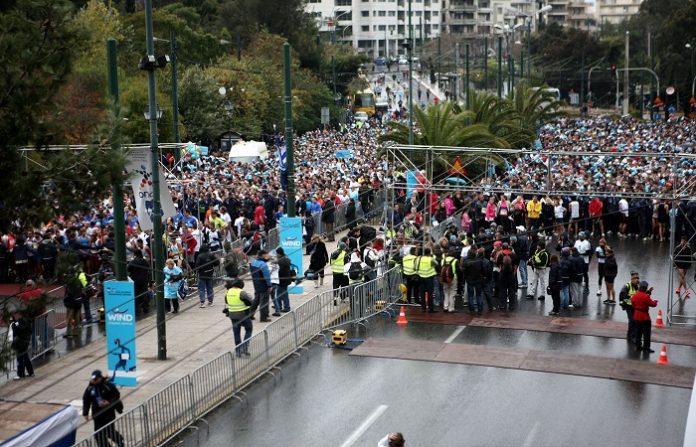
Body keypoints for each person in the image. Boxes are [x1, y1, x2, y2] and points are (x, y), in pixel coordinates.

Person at [82, 369, 124, 447]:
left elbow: (116, 396)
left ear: (100, 378)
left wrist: (109, 402)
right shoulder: (90, 388)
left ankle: (120, 440)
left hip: (108, 414)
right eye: (93, 379)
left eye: (96, 379)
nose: (94, 381)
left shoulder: (108, 385)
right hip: (97, 415)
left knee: (109, 432)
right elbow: (86, 400)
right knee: (98, 435)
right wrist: (85, 413)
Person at [223, 278, 253, 357]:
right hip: (243, 315)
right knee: (249, 329)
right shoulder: (241, 292)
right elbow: (250, 302)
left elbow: (226, 301)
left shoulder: (228, 292)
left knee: (236, 333)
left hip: (233, 315)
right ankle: (244, 348)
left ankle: (238, 350)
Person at [632, 281, 658, 353]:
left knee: (638, 332)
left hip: (636, 316)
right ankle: (646, 348)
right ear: (645, 288)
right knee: (646, 333)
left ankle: (638, 346)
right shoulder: (646, 297)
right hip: (644, 317)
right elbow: (652, 304)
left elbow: (633, 303)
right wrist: (655, 301)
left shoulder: (635, 295)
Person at [10, 311, 34, 380]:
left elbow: (17, 330)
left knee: (20, 357)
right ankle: (30, 372)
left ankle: (20, 374)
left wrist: (14, 323)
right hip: (25, 341)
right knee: (25, 357)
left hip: (21, 342)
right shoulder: (25, 321)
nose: (15, 316)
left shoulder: (19, 323)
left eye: (16, 315)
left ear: (20, 315)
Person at [250, 250, 272, 321]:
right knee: (264, 301)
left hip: (256, 284)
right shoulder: (263, 264)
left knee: (256, 300)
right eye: (266, 254)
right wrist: (269, 286)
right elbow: (267, 276)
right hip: (263, 286)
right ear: (263, 255)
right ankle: (263, 317)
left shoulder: (253, 262)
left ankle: (250, 315)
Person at [127, 249, 151, 315]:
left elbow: (128, 269)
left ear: (135, 254)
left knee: (136, 294)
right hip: (144, 280)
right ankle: (145, 308)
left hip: (136, 280)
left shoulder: (133, 261)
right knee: (144, 293)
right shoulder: (145, 261)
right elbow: (148, 269)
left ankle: (137, 309)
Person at [619, 271, 641, 343]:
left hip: (636, 307)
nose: (637, 280)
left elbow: (643, 295)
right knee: (632, 321)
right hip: (629, 307)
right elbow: (622, 298)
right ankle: (629, 336)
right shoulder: (627, 286)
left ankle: (634, 335)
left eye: (638, 278)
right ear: (631, 279)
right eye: (635, 278)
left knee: (637, 321)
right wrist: (629, 302)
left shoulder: (639, 286)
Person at [415, 247, 439, 313]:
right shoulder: (431, 259)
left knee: (422, 294)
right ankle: (431, 309)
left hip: (421, 278)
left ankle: (423, 308)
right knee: (430, 294)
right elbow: (437, 264)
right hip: (429, 278)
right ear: (429, 253)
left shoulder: (418, 258)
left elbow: (415, 267)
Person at [63, 270, 84, 338]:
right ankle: (76, 331)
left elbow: (69, 293)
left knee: (69, 318)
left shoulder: (70, 283)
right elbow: (81, 289)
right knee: (77, 317)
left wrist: (66, 300)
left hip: (71, 303)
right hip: (78, 301)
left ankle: (69, 333)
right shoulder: (78, 281)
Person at [440, 248, 458, 312]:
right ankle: (451, 308)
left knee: (446, 292)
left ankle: (445, 306)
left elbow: (441, 268)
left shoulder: (443, 260)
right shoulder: (455, 260)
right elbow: (458, 270)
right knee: (452, 293)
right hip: (453, 277)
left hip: (444, 277)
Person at [275, 247, 293, 312]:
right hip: (286, 279)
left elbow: (280, 271)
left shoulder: (281, 261)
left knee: (282, 294)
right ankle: (278, 306)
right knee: (280, 293)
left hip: (282, 280)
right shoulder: (286, 258)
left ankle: (286, 307)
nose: (276, 255)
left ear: (279, 254)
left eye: (276, 253)